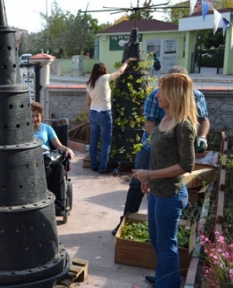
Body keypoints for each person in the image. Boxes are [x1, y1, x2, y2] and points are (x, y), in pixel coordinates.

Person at [112, 66, 210, 236]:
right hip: (152, 145)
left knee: (175, 184)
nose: (159, 93)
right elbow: (149, 124)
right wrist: (160, 144)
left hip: (173, 149)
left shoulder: (196, 98)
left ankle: (190, 222)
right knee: (137, 183)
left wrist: (202, 137)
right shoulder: (155, 97)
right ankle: (125, 219)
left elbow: (203, 121)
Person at [131, 73, 198, 288]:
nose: (157, 95)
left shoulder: (183, 126)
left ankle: (168, 283)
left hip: (171, 194)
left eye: (161, 91)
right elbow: (158, 156)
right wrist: (148, 180)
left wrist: (149, 175)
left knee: (166, 243)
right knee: (156, 238)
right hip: (157, 191)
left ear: (174, 95)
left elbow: (187, 165)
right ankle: (165, 276)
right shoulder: (165, 118)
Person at [86, 57, 136, 174]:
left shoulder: (89, 83)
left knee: (93, 141)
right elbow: (119, 72)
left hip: (93, 113)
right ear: (103, 70)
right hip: (104, 114)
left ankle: (94, 165)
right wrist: (127, 62)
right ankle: (103, 168)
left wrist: (93, 111)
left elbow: (88, 102)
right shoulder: (105, 78)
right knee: (106, 142)